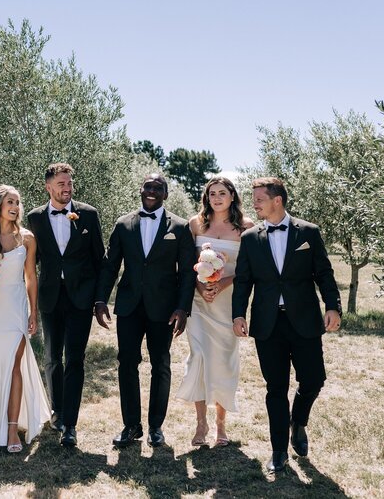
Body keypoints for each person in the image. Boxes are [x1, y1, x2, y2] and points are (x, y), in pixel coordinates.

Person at [232, 177, 341, 472]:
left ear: (276, 200)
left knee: (314, 379)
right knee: (275, 388)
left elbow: (325, 274)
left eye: (259, 199)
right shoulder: (250, 238)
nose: (253, 204)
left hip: (304, 320)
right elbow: (243, 281)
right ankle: (278, 450)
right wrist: (238, 314)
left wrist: (333, 306)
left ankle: (298, 421)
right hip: (268, 324)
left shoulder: (309, 232)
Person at [95, 174, 197, 448]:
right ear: (141, 190)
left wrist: (183, 308)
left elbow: (187, 273)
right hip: (128, 306)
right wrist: (101, 300)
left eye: (158, 188)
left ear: (165, 194)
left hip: (164, 309)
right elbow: (110, 265)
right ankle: (131, 426)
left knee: (160, 364)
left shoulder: (180, 226)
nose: (152, 191)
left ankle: (155, 427)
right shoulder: (123, 223)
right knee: (127, 363)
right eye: (148, 187)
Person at [26, 163, 105, 447]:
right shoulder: (34, 219)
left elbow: (100, 260)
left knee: (75, 359)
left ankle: (70, 423)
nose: (66, 187)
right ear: (48, 186)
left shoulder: (89, 214)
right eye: (60, 183)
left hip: (80, 298)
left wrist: (99, 299)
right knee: (51, 358)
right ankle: (57, 411)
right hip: (49, 297)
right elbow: (29, 265)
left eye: (69, 183)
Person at [0, 185, 51, 453]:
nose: (15, 206)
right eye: (9, 202)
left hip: (14, 310)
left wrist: (33, 311)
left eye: (17, 202)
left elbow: (30, 278)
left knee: (14, 365)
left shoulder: (26, 238)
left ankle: (12, 428)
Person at [177, 176, 254, 447]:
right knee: (198, 357)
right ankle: (201, 423)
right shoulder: (196, 224)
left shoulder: (246, 228)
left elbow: (247, 270)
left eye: (223, 193)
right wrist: (200, 285)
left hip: (228, 303)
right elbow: (187, 264)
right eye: (212, 194)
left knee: (223, 361)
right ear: (206, 198)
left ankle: (221, 424)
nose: (217, 198)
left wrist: (223, 282)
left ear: (232, 196)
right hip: (199, 303)